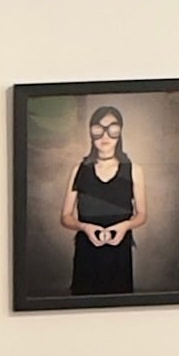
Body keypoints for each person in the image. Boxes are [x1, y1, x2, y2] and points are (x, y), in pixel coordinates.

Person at [61, 103, 144, 296]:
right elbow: (65, 216)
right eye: (99, 129)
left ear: (120, 131)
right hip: (86, 253)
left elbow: (142, 214)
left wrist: (123, 227)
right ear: (91, 133)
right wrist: (85, 227)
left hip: (119, 253)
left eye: (112, 129)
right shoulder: (80, 170)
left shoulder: (133, 170)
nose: (105, 136)